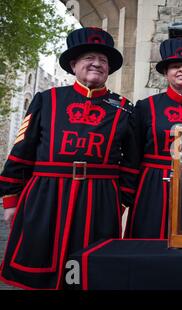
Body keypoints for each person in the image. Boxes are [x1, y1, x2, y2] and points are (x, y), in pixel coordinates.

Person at [0, 27, 139, 289]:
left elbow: (131, 162)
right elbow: (22, 149)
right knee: (38, 264)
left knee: (91, 271)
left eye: (103, 60)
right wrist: (10, 199)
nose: (96, 64)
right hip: (45, 194)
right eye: (89, 57)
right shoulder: (47, 99)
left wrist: (120, 201)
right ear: (74, 64)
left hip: (100, 198)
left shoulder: (123, 108)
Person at [127, 38, 182, 239]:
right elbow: (133, 152)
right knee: (150, 239)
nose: (181, 70)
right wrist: (128, 191)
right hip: (153, 183)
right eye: (175, 66)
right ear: (166, 72)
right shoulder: (146, 106)